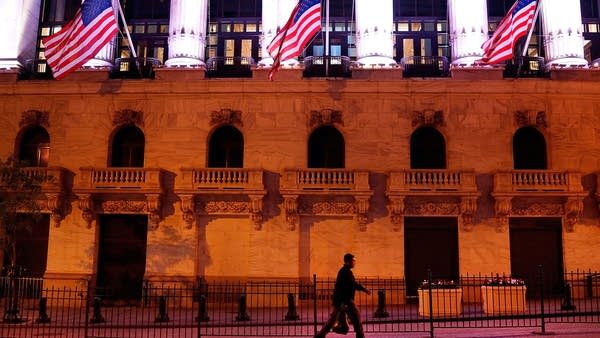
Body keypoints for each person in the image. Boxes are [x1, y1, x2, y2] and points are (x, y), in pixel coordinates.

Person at [315, 253, 371, 338]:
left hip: (342, 301)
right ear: (348, 261)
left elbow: (352, 284)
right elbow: (344, 287)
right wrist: (343, 302)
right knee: (357, 319)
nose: (354, 263)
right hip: (346, 301)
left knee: (332, 322)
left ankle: (319, 336)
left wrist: (364, 289)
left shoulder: (345, 271)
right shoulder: (345, 272)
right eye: (353, 261)